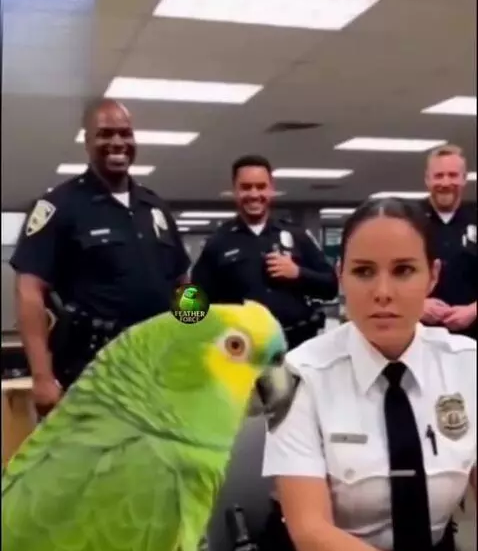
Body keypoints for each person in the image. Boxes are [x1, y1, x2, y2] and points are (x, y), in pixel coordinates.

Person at [261, 197, 476, 551]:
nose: (382, 292)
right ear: (340, 277)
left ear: (432, 276)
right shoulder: (288, 376)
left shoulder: (469, 364)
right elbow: (310, 533)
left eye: (403, 270)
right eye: (363, 272)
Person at [10, 98, 190, 415]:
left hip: (157, 368)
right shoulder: (60, 206)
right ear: (88, 141)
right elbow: (29, 291)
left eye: (125, 133)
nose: (117, 142)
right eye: (105, 134)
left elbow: (184, 285)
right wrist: (41, 376)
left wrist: (196, 342)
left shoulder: (155, 207)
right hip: (91, 370)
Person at [191, 155, 338, 349]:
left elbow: (331, 287)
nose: (254, 194)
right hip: (243, 354)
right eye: (246, 187)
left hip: (297, 347)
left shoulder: (297, 235)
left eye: (261, 186)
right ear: (235, 190)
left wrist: (298, 273)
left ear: (271, 189)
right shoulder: (218, 242)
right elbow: (193, 301)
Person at [420, 144, 476, 339]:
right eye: (438, 175)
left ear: (464, 178)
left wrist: (473, 311)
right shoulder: (407, 220)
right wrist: (416, 305)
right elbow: (389, 275)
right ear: (427, 179)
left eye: (453, 175)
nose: (445, 182)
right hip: (419, 336)